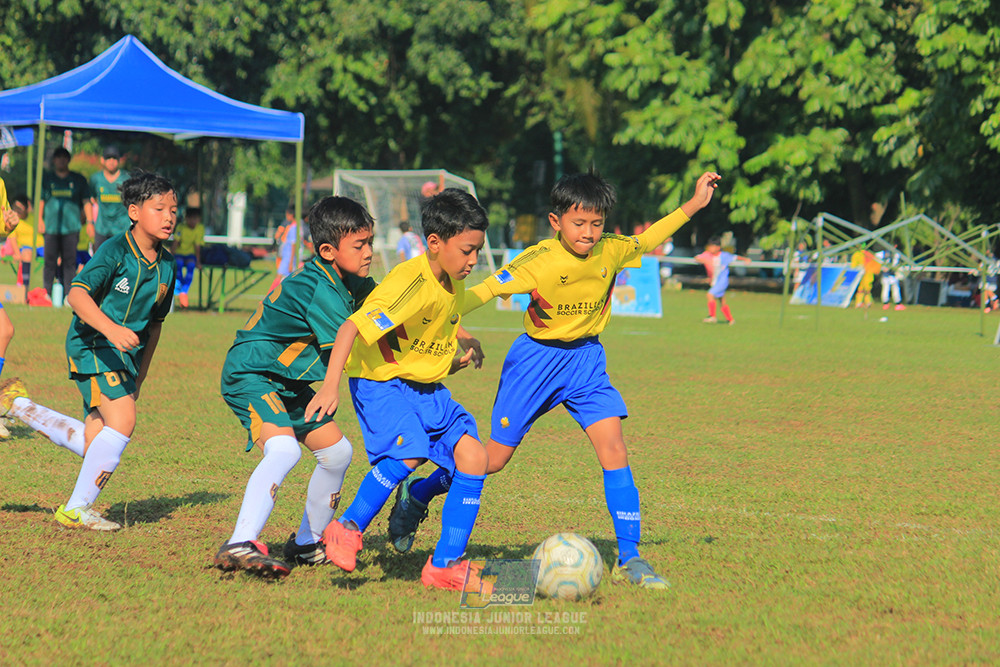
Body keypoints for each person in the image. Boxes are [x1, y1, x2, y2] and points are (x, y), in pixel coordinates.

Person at [389, 171, 720, 591]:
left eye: (596, 224)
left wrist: (694, 204)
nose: (588, 233)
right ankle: (420, 494)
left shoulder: (612, 251)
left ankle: (631, 556)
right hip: (535, 363)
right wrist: (438, 322)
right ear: (556, 220)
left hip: (586, 362)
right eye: (578, 223)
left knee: (615, 448)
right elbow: (481, 292)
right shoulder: (538, 260)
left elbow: (650, 237)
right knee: (491, 461)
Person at [318, 188, 489, 592]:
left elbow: (435, 321)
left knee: (474, 456)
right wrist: (330, 387)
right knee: (410, 450)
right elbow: (352, 327)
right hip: (382, 383)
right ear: (435, 243)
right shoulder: (410, 281)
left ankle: (445, 564)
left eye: (477, 251)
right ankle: (346, 529)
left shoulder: (451, 278)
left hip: (425, 387)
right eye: (467, 250)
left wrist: (461, 343)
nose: (474, 261)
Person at [212, 196, 378, 579]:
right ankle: (240, 540)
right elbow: (345, 338)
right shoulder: (319, 285)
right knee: (284, 448)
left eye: (370, 242)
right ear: (327, 250)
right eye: (360, 245)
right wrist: (331, 386)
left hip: (286, 381)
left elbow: (396, 308)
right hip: (253, 373)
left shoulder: (351, 279)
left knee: (336, 453)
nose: (369, 252)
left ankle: (307, 542)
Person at [0, 172, 177, 531]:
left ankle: (17, 405)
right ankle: (76, 509)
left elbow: (155, 326)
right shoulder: (114, 250)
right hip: (91, 343)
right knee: (124, 420)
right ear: (133, 211)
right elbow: (76, 294)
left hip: (124, 356)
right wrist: (111, 329)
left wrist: (139, 376)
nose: (169, 217)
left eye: (173, 209)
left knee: (94, 442)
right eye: (158, 208)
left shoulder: (168, 266)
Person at [40, 147, 90, 300]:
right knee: (49, 261)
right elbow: (41, 200)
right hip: (51, 227)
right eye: (58, 157)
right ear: (54, 160)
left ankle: (69, 294)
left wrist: (90, 222)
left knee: (70, 262)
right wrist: (40, 220)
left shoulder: (78, 179)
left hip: (71, 227)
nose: (61, 160)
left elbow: (86, 201)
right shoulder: (47, 179)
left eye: (64, 157)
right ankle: (46, 293)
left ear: (68, 160)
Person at [695, 237, 751, 324]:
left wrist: (746, 259)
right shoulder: (707, 254)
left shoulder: (724, 256)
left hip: (722, 281)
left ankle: (712, 316)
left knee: (710, 295)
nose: (710, 248)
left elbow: (735, 257)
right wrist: (703, 260)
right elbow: (697, 258)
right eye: (710, 246)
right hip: (714, 281)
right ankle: (730, 319)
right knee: (722, 301)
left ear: (718, 247)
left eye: (712, 246)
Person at [88, 145, 131, 250]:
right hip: (102, 229)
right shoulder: (96, 179)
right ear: (102, 160)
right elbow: (89, 200)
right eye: (108, 158)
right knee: (101, 263)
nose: (111, 161)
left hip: (122, 229)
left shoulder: (127, 179)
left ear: (119, 160)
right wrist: (90, 223)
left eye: (114, 158)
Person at [172, 207, 204, 308]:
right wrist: (170, 256)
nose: (194, 221)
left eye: (196, 219)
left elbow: (197, 246)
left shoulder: (200, 228)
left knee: (191, 266)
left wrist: (198, 261)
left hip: (190, 255)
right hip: (179, 253)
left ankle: (183, 292)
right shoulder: (181, 227)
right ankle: (180, 289)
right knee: (178, 264)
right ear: (186, 218)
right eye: (192, 219)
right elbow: (175, 243)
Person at [268, 207, 298, 294]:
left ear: (291, 215)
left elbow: (293, 244)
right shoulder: (294, 226)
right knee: (283, 276)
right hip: (286, 254)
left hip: (287, 255)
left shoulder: (292, 227)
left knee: (280, 275)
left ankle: (270, 296)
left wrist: (291, 261)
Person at [9, 195, 37, 289]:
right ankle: (25, 285)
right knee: (26, 254)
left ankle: (59, 283)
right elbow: (12, 239)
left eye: (19, 208)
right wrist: (17, 253)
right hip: (26, 248)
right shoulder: (14, 222)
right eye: (15, 208)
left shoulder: (35, 218)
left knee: (55, 256)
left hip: (41, 247)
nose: (17, 210)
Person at [850, 245, 882, 309]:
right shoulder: (867, 254)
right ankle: (863, 302)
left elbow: (853, 265)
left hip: (865, 273)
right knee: (865, 289)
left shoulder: (858, 254)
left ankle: (864, 302)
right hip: (866, 273)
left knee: (864, 289)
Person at [876, 246, 906, 311]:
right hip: (892, 275)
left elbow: (875, 256)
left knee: (885, 289)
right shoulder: (895, 254)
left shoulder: (882, 253)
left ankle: (885, 304)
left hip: (885, 275)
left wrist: (882, 267)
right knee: (895, 289)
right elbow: (895, 264)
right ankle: (897, 304)